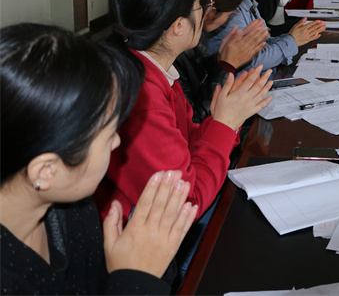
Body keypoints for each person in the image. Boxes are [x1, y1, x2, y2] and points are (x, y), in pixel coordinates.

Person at [1, 23, 197, 295]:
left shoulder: (72, 208)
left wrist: (145, 255)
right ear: (46, 171)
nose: (117, 142)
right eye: (108, 135)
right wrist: (135, 280)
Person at [94, 0, 274, 223]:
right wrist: (225, 123)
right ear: (178, 26)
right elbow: (185, 205)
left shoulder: (149, 69)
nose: (207, 12)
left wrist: (228, 117)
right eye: (203, 5)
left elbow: (188, 144)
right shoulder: (141, 97)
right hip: (137, 234)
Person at [175, 0, 269, 124]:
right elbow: (194, 122)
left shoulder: (189, 44)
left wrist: (219, 59)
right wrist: (227, 66)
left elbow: (197, 77)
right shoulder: (171, 52)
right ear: (209, 10)